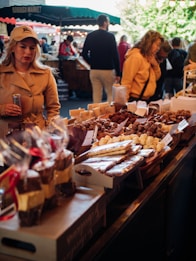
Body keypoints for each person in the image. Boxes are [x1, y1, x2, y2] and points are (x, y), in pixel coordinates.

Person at [0, 25, 61, 139]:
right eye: (23, 47)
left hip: (37, 136)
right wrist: (2, 109)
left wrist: (50, 130)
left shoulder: (45, 74)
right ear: (12, 47)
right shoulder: (1, 73)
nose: (28, 52)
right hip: (6, 137)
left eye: (32, 48)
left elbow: (53, 108)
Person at [82, 14, 120, 103]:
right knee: (110, 94)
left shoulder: (90, 35)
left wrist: (91, 63)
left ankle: (96, 115)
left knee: (96, 94)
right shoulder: (110, 36)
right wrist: (118, 72)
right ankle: (108, 115)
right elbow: (115, 55)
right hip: (108, 70)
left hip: (94, 70)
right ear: (105, 23)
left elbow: (84, 53)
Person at [121, 30, 164, 102]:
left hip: (145, 100)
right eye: (157, 44)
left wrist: (155, 65)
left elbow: (156, 78)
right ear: (149, 43)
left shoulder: (150, 57)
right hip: (134, 100)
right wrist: (125, 103)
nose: (158, 48)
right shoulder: (136, 57)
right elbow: (126, 82)